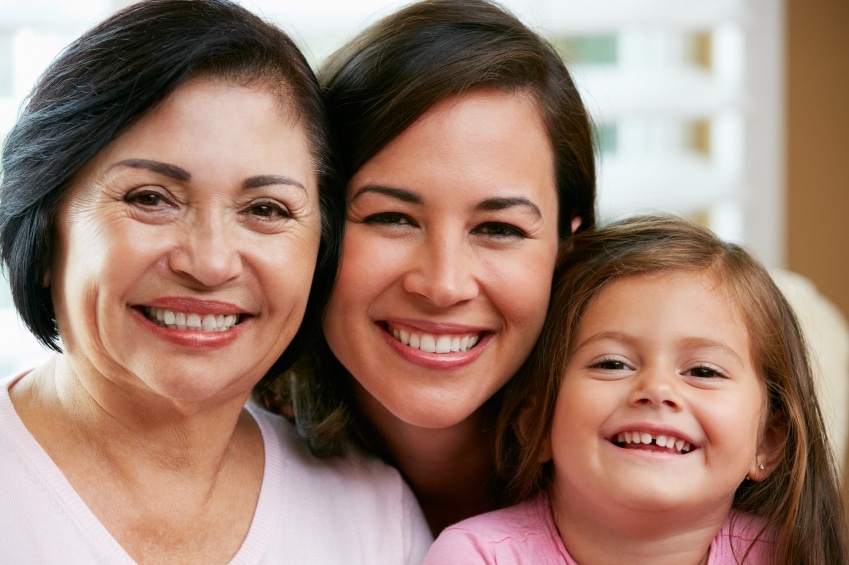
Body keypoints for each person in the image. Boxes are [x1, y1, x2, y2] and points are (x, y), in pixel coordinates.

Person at [0, 1, 430, 563]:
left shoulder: (373, 519)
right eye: (150, 199)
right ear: (45, 228)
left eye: (266, 209)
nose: (209, 263)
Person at [259, 0, 596, 535]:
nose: (443, 285)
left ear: (566, 250)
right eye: (392, 218)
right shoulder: (232, 467)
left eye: (499, 229)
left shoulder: (680, 472)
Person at [424, 215, 849, 564]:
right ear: (535, 418)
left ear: (768, 441)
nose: (657, 389)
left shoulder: (785, 557)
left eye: (703, 371)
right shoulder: (476, 556)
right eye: (612, 363)